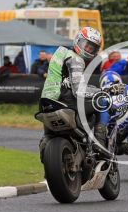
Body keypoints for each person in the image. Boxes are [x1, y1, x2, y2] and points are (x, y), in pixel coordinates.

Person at [39, 27, 111, 161]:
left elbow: (69, 82)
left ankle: (46, 141)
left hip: (46, 101)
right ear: (78, 40)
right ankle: (99, 141)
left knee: (48, 132)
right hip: (66, 101)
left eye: (92, 48)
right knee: (103, 101)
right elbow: (78, 90)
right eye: (87, 45)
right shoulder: (76, 59)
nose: (88, 50)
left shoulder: (60, 52)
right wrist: (101, 92)